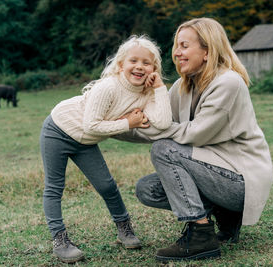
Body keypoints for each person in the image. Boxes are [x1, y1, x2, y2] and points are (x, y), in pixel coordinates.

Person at [116, 18, 273, 262]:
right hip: (213, 171)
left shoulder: (228, 82)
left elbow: (194, 134)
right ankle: (225, 215)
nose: (176, 53)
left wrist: (149, 124)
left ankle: (201, 234)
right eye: (176, 46)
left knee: (164, 150)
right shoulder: (182, 85)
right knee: (147, 189)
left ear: (208, 51)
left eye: (184, 46)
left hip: (241, 179)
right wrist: (113, 127)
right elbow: (156, 124)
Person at [39, 35, 172, 263]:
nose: (139, 66)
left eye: (146, 63)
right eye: (133, 61)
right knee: (55, 187)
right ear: (121, 65)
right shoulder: (108, 87)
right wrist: (128, 123)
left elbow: (163, 122)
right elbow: (92, 124)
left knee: (107, 185)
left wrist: (159, 87)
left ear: (154, 69)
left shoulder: (147, 93)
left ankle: (125, 230)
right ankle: (60, 241)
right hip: (58, 129)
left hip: (86, 142)